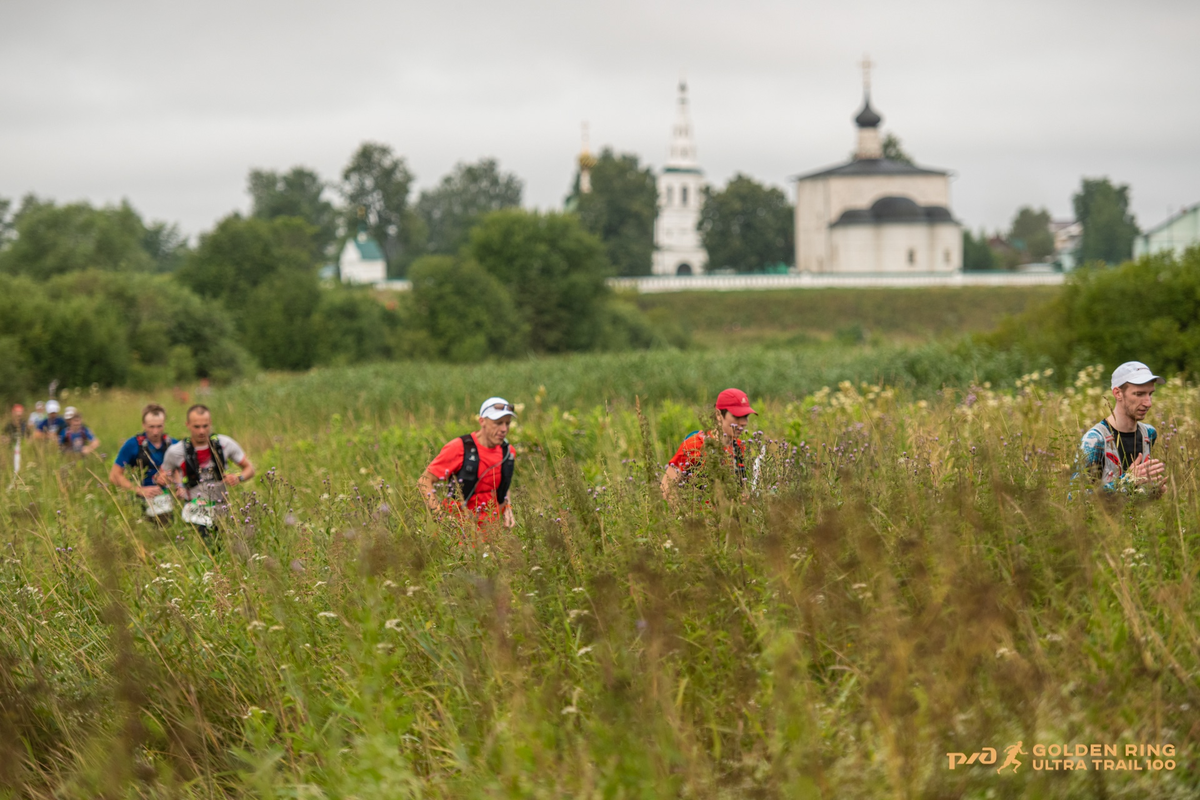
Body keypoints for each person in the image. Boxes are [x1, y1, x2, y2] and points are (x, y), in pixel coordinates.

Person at [418, 397, 517, 530]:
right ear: (482, 421)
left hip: (492, 533)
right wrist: (440, 515)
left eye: (507, 423)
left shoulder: (508, 452)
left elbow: (504, 484)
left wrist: (508, 508)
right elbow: (424, 481)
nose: (504, 429)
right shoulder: (459, 448)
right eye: (498, 423)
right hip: (459, 533)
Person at [161, 404, 255, 540]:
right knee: (206, 545)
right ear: (187, 425)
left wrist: (238, 478)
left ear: (210, 423)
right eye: (196, 426)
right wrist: (176, 485)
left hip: (221, 507)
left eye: (205, 426)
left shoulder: (225, 444)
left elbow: (250, 469)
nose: (201, 431)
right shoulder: (175, 451)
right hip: (193, 508)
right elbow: (162, 476)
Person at [1078, 361, 1166, 496]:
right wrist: (1127, 482)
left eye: (1150, 394)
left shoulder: (1148, 434)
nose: (1148, 403)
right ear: (1118, 393)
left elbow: (1134, 497)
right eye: (1139, 394)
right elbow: (1076, 499)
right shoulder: (1094, 440)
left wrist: (1152, 494)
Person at [661, 388, 755, 500]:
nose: (743, 422)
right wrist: (685, 516)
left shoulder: (740, 448)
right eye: (737, 416)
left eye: (746, 416)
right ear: (719, 415)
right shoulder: (695, 445)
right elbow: (667, 487)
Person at [110, 403, 176, 520]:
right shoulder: (132, 445)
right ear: (143, 425)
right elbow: (114, 475)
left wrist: (172, 480)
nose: (155, 432)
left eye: (159, 426)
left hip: (169, 496)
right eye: (151, 427)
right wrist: (138, 490)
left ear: (164, 424)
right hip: (141, 498)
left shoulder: (174, 444)